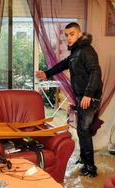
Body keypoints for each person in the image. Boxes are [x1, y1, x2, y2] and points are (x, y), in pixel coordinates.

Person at [35, 22, 102, 177]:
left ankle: (90, 168)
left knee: (83, 131)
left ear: (79, 34)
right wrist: (47, 73)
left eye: (72, 34)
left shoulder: (86, 50)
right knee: (81, 130)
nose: (68, 38)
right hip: (82, 97)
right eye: (66, 35)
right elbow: (63, 64)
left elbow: (95, 72)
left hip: (89, 97)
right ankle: (85, 160)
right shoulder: (76, 52)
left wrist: (88, 94)